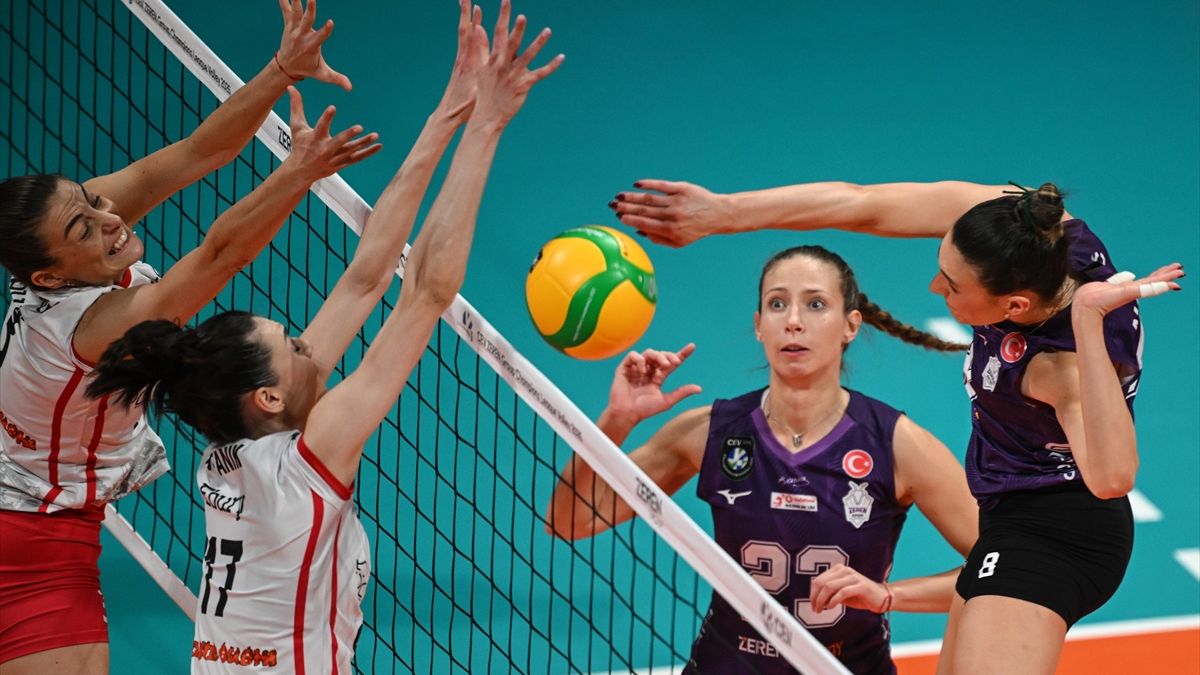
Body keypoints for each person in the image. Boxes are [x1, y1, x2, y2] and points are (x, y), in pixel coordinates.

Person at [86, 2, 561, 671]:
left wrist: (451, 109)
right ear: (269, 397)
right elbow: (424, 293)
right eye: (296, 347)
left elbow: (368, 277)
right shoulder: (313, 456)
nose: (311, 344)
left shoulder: (231, 451)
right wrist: (486, 127)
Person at [608, 178, 1184, 673]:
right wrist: (724, 213)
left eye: (952, 287)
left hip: (1057, 535)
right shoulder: (1032, 229)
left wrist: (1087, 321)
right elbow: (865, 203)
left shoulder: (1061, 370)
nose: (935, 287)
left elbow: (1113, 478)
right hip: (1009, 519)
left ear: (1013, 306)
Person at [0, 2, 378, 672]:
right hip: (35, 544)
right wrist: (297, 173)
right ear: (49, 275)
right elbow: (218, 257)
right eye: (84, 228)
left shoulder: (60, 245)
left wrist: (282, 70)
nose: (107, 219)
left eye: (92, 201)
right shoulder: (94, 329)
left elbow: (199, 151)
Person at [547, 245, 979, 674]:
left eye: (815, 304)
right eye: (777, 304)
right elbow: (568, 522)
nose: (793, 321)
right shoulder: (709, 433)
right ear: (759, 326)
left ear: (850, 326)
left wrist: (888, 596)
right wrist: (617, 421)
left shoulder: (895, 444)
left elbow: (1004, 564)